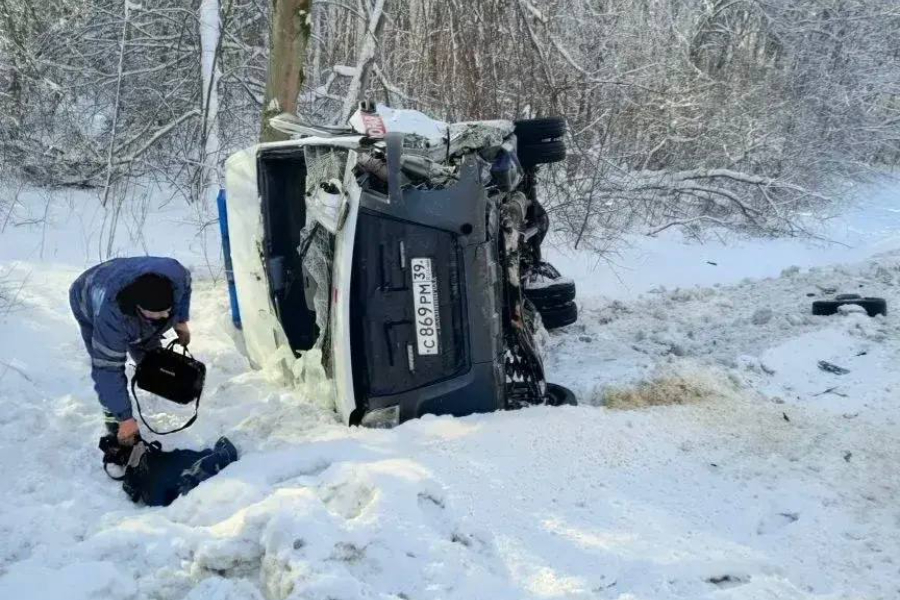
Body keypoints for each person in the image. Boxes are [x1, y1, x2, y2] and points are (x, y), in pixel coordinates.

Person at [69, 257, 192, 445]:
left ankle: (154, 373)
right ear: (138, 308)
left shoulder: (177, 277)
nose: (166, 316)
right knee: (105, 359)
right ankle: (114, 416)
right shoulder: (110, 319)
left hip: (121, 274)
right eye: (158, 313)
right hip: (85, 294)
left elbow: (184, 292)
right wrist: (125, 419)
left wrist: (180, 320)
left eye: (168, 311)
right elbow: (108, 370)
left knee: (146, 342)